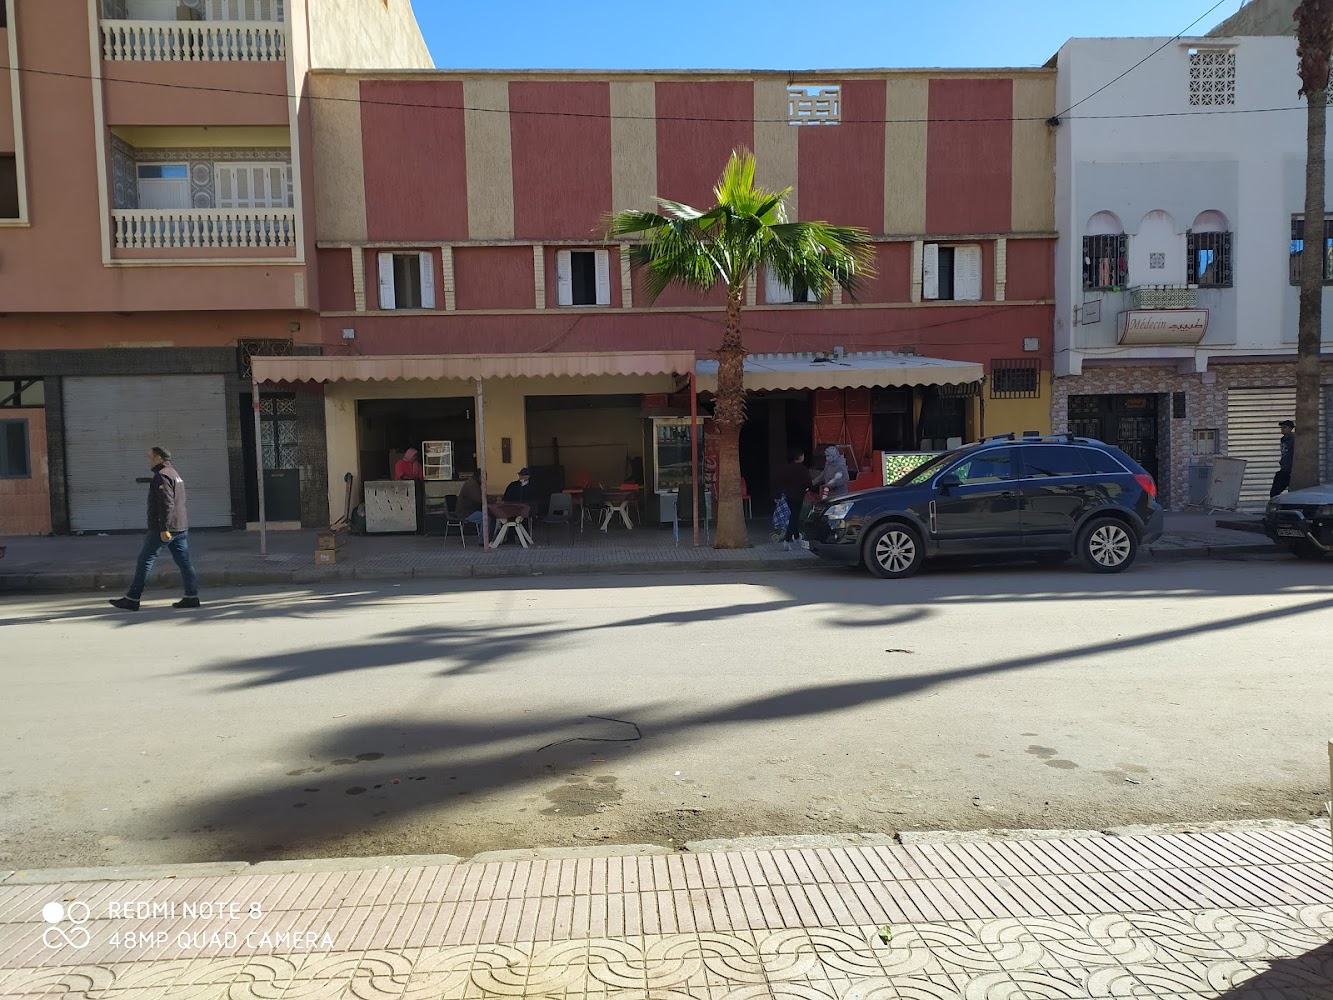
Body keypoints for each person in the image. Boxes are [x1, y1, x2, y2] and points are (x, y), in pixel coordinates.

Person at [109, 447, 199, 612]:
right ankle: (191, 596)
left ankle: (132, 598)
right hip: (179, 526)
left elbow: (167, 504)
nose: (148, 459)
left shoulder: (162, 476)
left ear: (158, 457)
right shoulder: (174, 473)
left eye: (149, 457)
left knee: (145, 560)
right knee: (185, 562)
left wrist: (164, 528)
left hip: (165, 528)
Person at [772, 448, 811, 550]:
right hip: (799, 495)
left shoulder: (785, 469)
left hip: (788, 495)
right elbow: (808, 483)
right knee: (794, 516)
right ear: (800, 457)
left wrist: (777, 495)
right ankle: (787, 539)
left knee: (794, 515)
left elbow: (779, 483)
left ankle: (797, 537)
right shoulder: (803, 469)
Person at [1270, 420, 1295, 498]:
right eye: (1281, 427)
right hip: (1284, 468)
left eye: (1285, 427)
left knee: (1275, 491)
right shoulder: (1284, 439)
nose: (1282, 429)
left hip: (1290, 469)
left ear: (1291, 428)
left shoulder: (1293, 439)